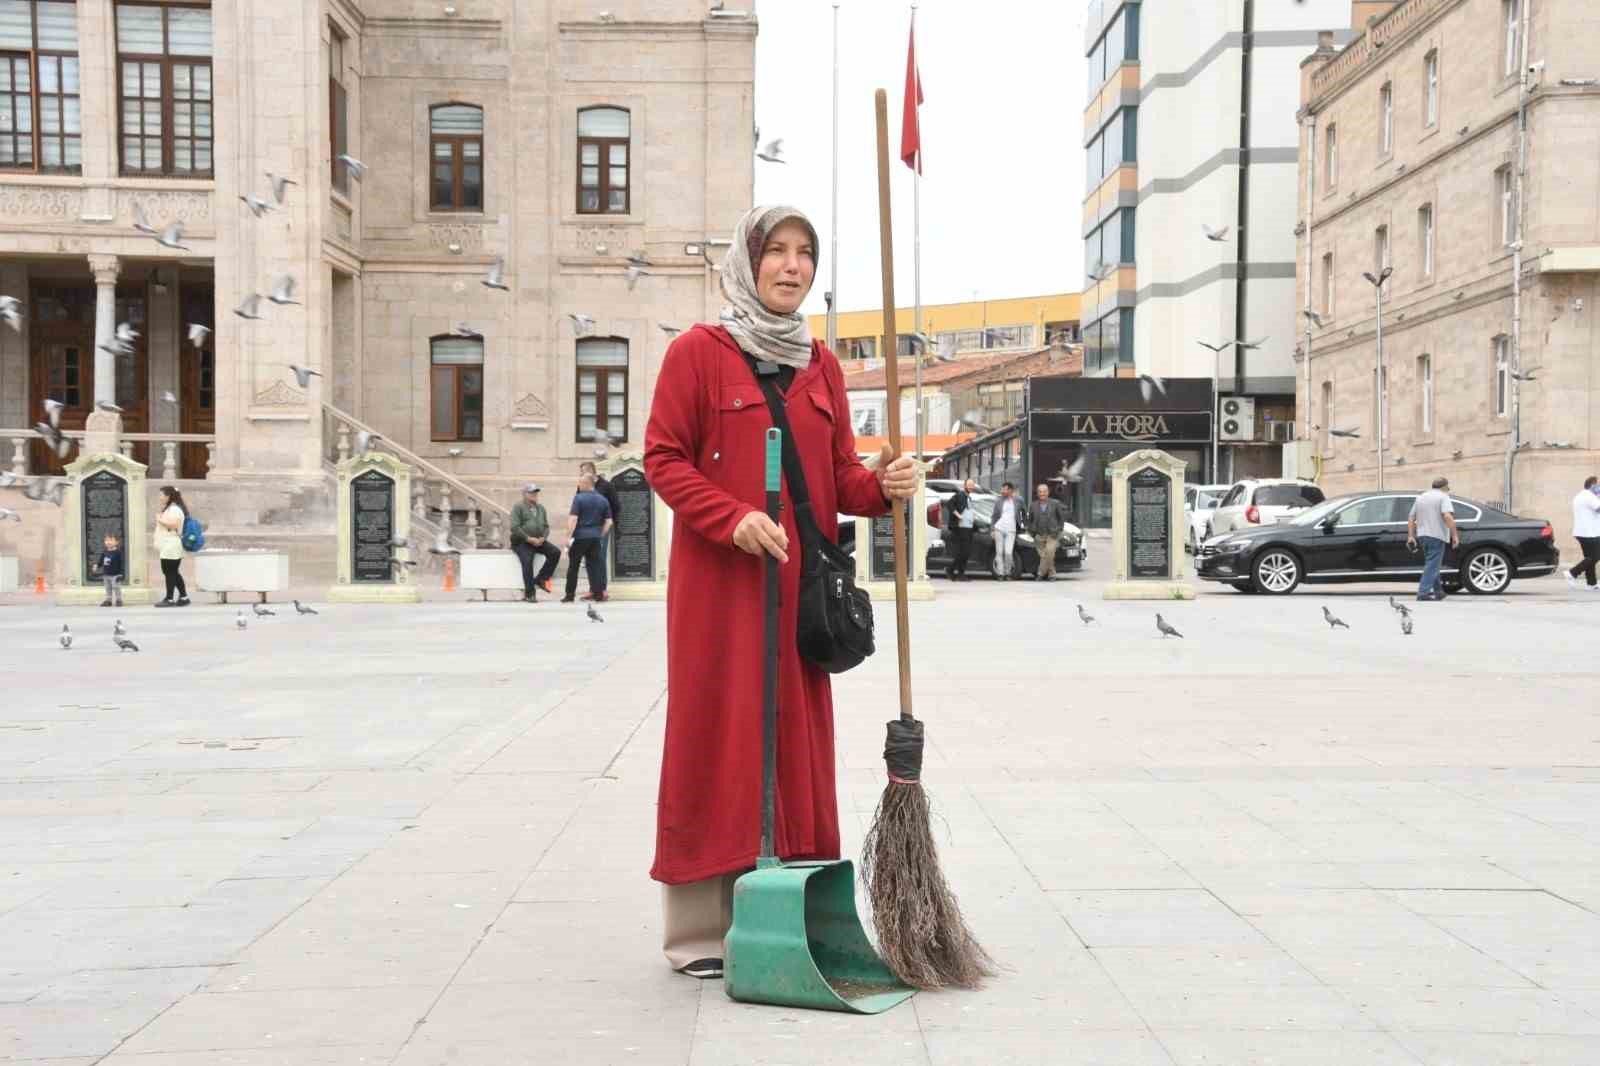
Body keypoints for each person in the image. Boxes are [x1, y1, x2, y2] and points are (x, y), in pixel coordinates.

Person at [643, 203, 920, 979]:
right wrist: (729, 518)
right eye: (777, 251)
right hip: (719, 593)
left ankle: (792, 912)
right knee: (715, 734)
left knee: (794, 741)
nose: (792, 266)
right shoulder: (699, 354)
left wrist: (883, 484)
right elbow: (663, 459)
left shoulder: (822, 365)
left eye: (806, 254)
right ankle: (700, 929)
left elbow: (837, 479)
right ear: (749, 260)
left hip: (800, 593)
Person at [562, 473, 613, 603]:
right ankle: (598, 594)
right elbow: (609, 522)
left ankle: (569, 595)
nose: (578, 485)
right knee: (595, 566)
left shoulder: (578, 498)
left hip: (579, 537)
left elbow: (573, 519)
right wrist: (600, 534)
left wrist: (567, 537)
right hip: (595, 537)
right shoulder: (603, 499)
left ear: (586, 483)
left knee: (574, 566)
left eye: (580, 483)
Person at [1406, 475, 1459, 601]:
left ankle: (1438, 591)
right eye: (1448, 487)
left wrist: (1411, 536)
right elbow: (1447, 516)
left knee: (1432, 564)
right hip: (1437, 535)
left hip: (1422, 535)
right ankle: (1423, 593)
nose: (1448, 489)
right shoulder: (1443, 496)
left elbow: (1411, 518)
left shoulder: (1421, 497)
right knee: (1432, 565)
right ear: (1444, 487)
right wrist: (1455, 535)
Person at [509, 483, 560, 601]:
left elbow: (546, 527)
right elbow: (515, 527)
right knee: (527, 560)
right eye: (531, 492)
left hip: (538, 540)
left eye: (536, 492)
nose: (534, 495)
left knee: (555, 552)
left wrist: (543, 537)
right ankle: (530, 594)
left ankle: (541, 579)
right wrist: (528, 539)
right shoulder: (518, 507)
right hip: (522, 541)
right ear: (524, 494)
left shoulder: (541, 508)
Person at [579, 459, 621, 599]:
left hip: (602, 526)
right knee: (589, 558)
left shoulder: (606, 486)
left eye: (583, 471)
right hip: (585, 527)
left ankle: (602, 590)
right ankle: (593, 589)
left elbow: (616, 506)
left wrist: (610, 523)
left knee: (599, 557)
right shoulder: (582, 486)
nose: (581, 474)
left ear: (591, 471)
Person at [154, 485, 190, 607]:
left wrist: (159, 519)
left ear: (168, 496)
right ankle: (184, 597)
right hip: (169, 544)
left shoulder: (174, 509)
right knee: (173, 572)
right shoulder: (171, 508)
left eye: (161, 495)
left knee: (170, 572)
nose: (160, 497)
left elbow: (174, 525)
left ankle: (169, 599)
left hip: (171, 544)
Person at [1026, 482, 1069, 581]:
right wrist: (1032, 533)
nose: (1042, 494)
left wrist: (1059, 530)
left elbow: (1061, 518)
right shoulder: (1033, 505)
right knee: (1044, 556)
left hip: (1052, 534)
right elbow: (1030, 520)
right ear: (1037, 493)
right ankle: (1051, 574)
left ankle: (1040, 573)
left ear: (1048, 492)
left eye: (1044, 491)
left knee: (1049, 552)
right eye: (1040, 492)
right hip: (1039, 535)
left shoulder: (1055, 503)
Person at [1566, 475, 1600, 590]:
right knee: (1595, 556)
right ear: (1593, 485)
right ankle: (1572, 573)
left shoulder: (1580, 495)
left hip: (1582, 532)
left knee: (1589, 557)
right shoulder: (1590, 496)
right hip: (1589, 532)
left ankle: (1591, 584)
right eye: (1598, 485)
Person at [946, 478, 977, 580]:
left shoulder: (969, 498)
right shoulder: (960, 495)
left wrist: (973, 518)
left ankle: (960, 573)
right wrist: (958, 515)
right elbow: (949, 504)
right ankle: (952, 570)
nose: (971, 487)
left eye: (972, 485)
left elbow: (968, 510)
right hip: (961, 528)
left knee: (966, 552)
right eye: (969, 485)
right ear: (965, 486)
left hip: (969, 528)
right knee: (963, 552)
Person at [991, 481, 1021, 580]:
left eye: (1004, 489)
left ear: (1010, 490)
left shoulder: (1018, 500)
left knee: (1008, 552)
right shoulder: (998, 501)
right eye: (1002, 489)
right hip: (999, 528)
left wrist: (1024, 524)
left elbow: (1024, 512)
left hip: (1011, 530)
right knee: (999, 552)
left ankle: (1008, 572)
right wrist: (992, 529)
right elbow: (994, 516)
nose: (1002, 491)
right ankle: (1000, 573)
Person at [94, 533, 124, 607]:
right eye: (106, 540)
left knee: (116, 587)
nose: (108, 542)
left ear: (116, 542)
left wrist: (121, 574)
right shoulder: (104, 552)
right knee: (108, 588)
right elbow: (101, 561)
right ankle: (108, 600)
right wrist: (96, 565)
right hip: (106, 574)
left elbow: (122, 563)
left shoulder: (118, 552)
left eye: (111, 540)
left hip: (115, 574)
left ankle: (118, 600)